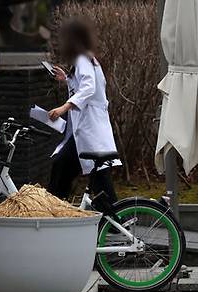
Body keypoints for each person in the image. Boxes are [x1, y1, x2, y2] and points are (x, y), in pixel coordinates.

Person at [47, 19, 120, 212]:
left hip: (90, 134)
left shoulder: (82, 59)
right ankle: (117, 223)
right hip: (91, 133)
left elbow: (89, 88)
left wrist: (64, 108)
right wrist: (68, 79)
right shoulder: (89, 60)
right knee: (98, 181)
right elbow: (87, 87)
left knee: (62, 169)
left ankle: (51, 214)